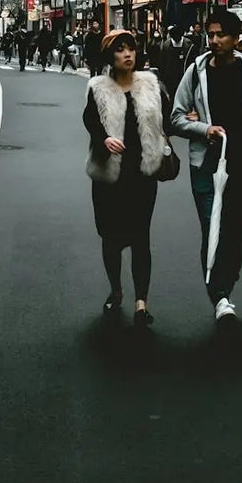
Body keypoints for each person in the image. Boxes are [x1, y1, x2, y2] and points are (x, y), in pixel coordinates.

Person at [171, 7, 242, 323]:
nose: (213, 40)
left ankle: (226, 287)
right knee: (212, 226)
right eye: (210, 34)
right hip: (206, 164)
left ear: (235, 37)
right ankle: (220, 296)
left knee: (235, 232)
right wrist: (204, 129)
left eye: (220, 34)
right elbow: (175, 117)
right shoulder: (196, 72)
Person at [82, 29, 170, 327]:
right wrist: (105, 139)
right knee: (110, 237)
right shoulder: (98, 89)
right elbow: (90, 121)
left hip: (142, 174)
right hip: (109, 175)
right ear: (111, 56)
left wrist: (192, 119)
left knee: (140, 236)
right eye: (120, 49)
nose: (128, 54)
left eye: (131, 48)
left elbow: (167, 118)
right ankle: (116, 290)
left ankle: (141, 303)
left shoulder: (151, 86)